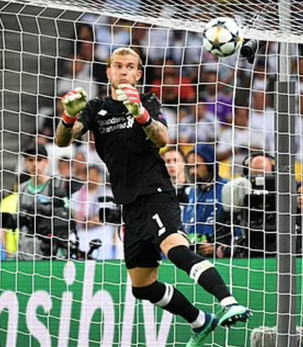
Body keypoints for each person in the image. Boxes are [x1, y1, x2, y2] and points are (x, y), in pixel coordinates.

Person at [54, 47, 251, 346]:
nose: (123, 71)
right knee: (142, 286)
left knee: (176, 250)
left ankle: (229, 302)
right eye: (117, 66)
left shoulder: (147, 101)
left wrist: (141, 114)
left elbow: (162, 138)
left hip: (156, 193)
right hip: (129, 205)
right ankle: (201, 321)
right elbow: (63, 140)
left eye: (130, 66)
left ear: (138, 73)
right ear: (108, 72)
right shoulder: (95, 108)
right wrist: (69, 116)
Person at [183, 144, 227, 257]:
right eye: (190, 167)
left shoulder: (226, 188)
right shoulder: (192, 191)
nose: (192, 172)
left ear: (210, 166)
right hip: (192, 254)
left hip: (219, 258)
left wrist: (219, 247)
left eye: (197, 166)